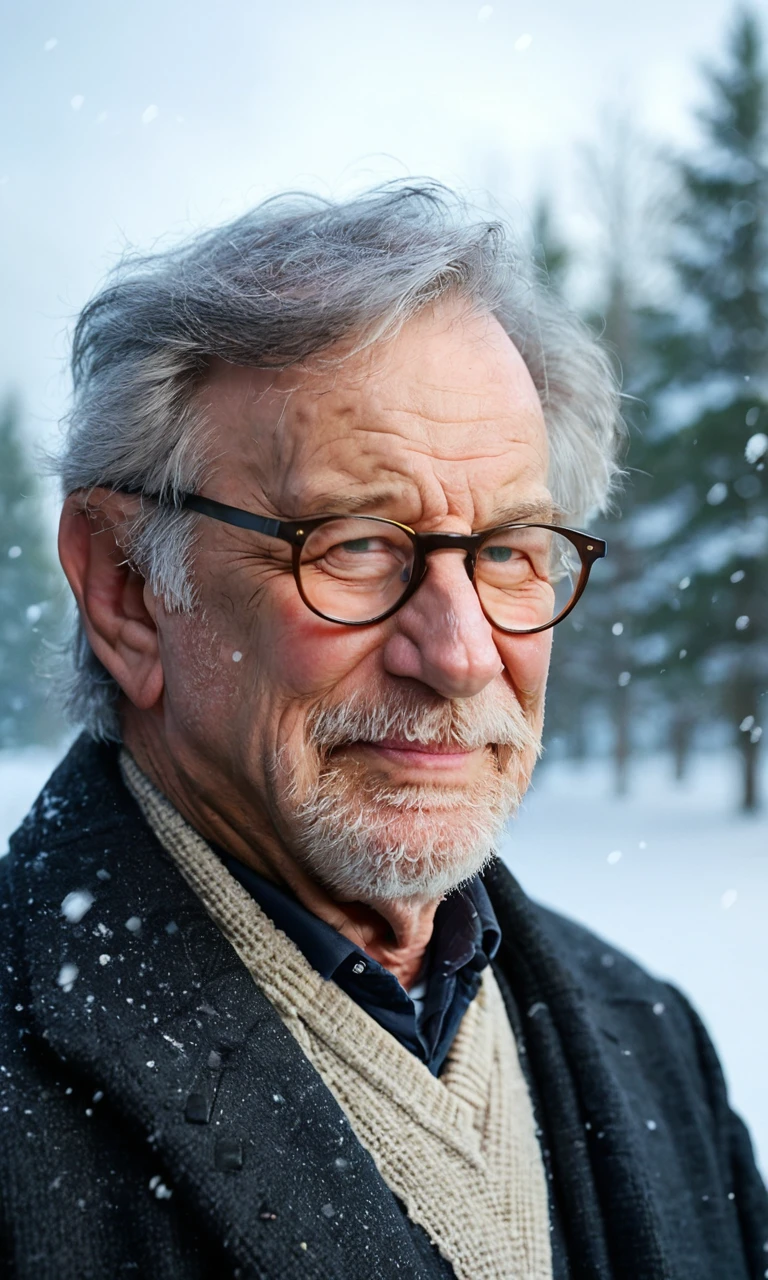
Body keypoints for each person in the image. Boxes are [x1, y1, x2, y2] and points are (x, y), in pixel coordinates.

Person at [1, 183, 765, 1280]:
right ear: (126, 589)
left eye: (508, 549)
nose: (457, 652)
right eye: (355, 544)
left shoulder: (650, 1038)